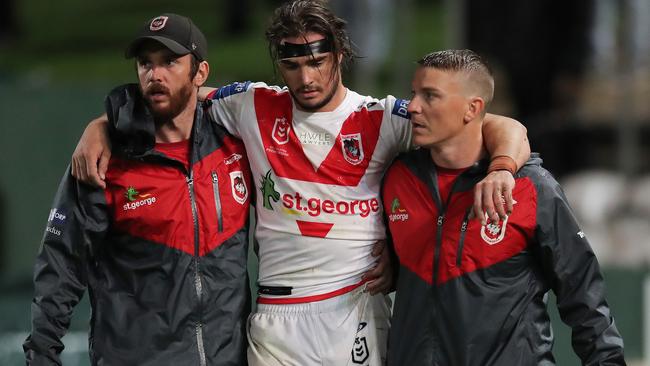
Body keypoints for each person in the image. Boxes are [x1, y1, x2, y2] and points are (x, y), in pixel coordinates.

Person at [71, 2, 531, 365]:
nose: (306, 78)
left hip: (357, 312)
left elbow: (499, 125)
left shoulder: (382, 118)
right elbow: (171, 99)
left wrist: (502, 168)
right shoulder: (249, 104)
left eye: (318, 61)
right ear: (279, 62)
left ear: (340, 56)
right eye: (292, 65)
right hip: (278, 323)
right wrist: (100, 126)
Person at [23, 13, 253, 365]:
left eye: (170, 62)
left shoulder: (236, 143)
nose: (154, 75)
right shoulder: (103, 159)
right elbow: (61, 264)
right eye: (146, 63)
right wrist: (42, 354)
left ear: (200, 72)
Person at [382, 49, 625, 365]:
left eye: (430, 96)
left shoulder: (531, 187)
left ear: (472, 108)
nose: (413, 107)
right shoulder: (397, 177)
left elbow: (583, 296)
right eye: (414, 94)